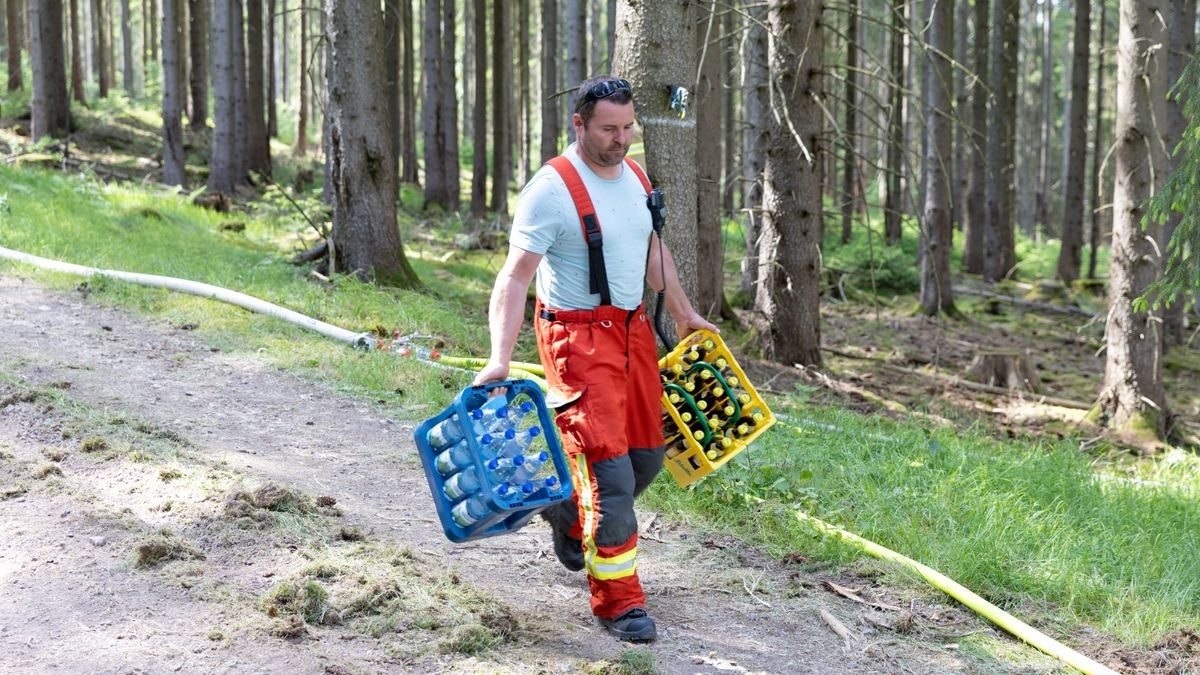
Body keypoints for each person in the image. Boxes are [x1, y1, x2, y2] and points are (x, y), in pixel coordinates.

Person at [473, 75, 716, 643]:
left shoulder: (634, 176)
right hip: (577, 340)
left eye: (629, 126)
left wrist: (682, 313)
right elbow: (514, 280)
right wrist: (499, 358)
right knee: (610, 475)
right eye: (609, 128)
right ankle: (619, 603)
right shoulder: (551, 189)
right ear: (578, 124)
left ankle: (567, 512)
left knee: (649, 460)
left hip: (633, 335)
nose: (622, 138)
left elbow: (655, 255)